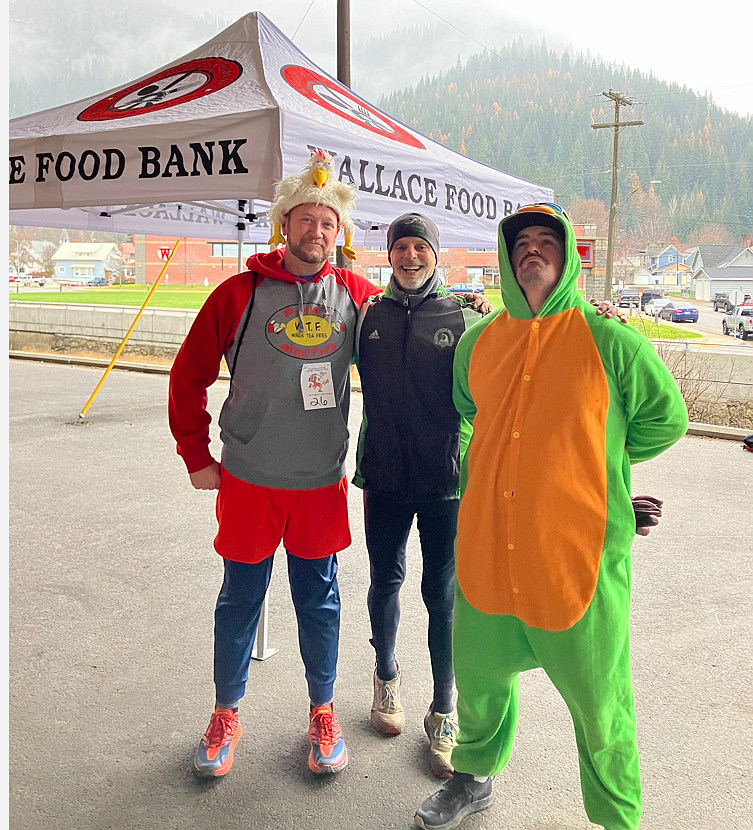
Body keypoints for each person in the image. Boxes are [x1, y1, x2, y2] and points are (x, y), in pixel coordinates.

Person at [414, 204, 687, 830]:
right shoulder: (479, 342)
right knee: (478, 683)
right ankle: (472, 779)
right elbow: (466, 412)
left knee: (600, 701)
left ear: (568, 259)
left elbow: (665, 419)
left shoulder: (611, 341)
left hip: (576, 561)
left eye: (546, 242)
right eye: (521, 245)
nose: (531, 251)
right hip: (486, 552)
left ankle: (618, 818)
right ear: (509, 262)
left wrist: (600, 466)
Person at [168, 151, 380, 778]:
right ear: (282, 225)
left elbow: (423, 327)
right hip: (249, 479)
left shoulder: (356, 296)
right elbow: (189, 376)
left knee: (319, 600)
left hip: (318, 482)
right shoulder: (238, 293)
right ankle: (225, 712)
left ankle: (323, 710)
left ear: (338, 234)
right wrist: (195, 456)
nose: (317, 233)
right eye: (306, 220)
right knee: (240, 598)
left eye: (328, 224)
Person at [352, 213, 487, 778]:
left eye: (420, 248)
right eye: (401, 247)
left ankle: (444, 709)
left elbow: (522, 348)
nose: (411, 257)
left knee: (443, 595)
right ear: (390, 255)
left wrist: (597, 313)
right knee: (385, 580)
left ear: (437, 255)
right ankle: (386, 680)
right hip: (382, 473)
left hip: (443, 479)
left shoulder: (465, 316)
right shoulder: (367, 316)